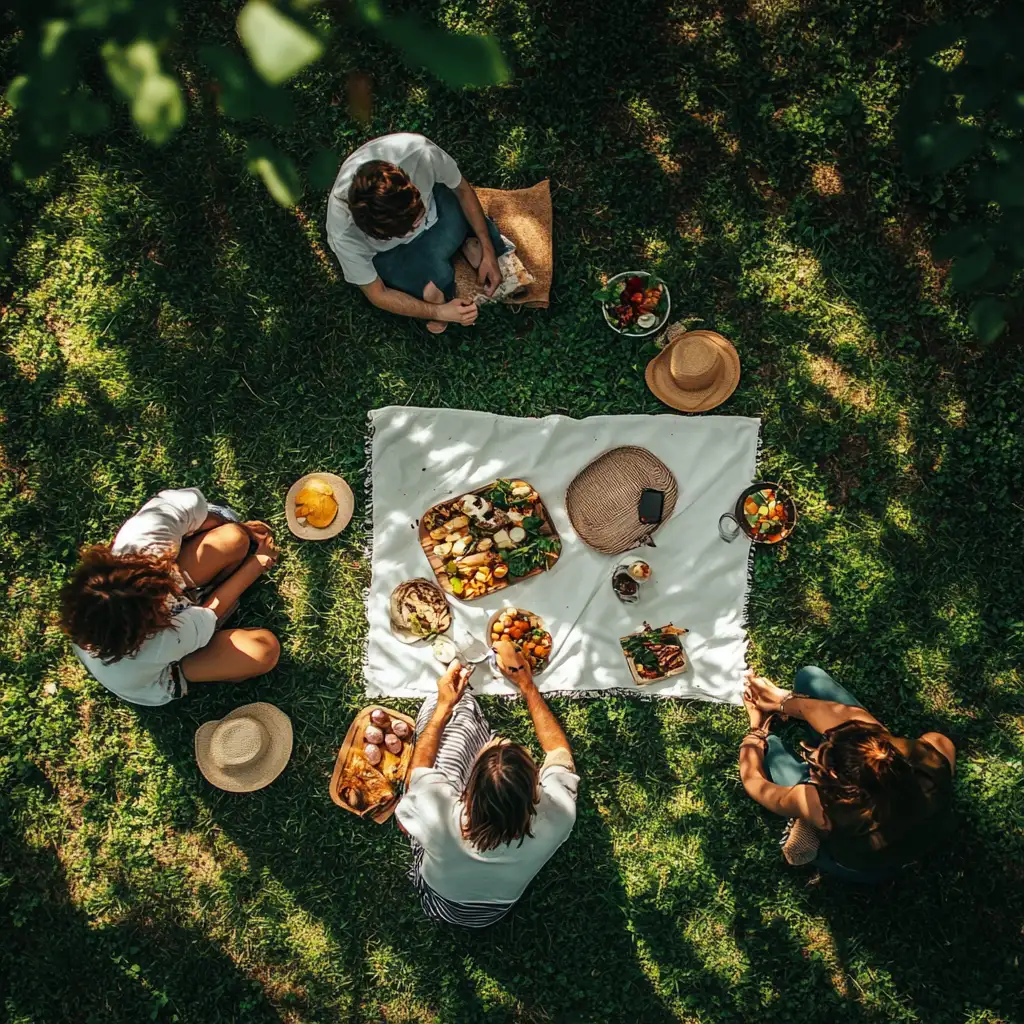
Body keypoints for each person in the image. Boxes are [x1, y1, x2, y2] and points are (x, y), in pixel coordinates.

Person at [394, 640, 579, 927]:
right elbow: (558, 752)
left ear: (468, 792)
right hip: (496, 911)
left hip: (437, 900)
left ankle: (463, 716)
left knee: (454, 719)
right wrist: (527, 686)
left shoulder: (439, 817)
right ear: (535, 790)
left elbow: (417, 771)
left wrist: (443, 707)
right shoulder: (559, 816)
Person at [60, 488, 280, 707]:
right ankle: (186, 666)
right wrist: (257, 564)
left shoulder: (142, 538)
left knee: (233, 538)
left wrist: (230, 525)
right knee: (263, 650)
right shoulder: (158, 642)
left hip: (145, 633)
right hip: (158, 669)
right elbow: (212, 612)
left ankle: (197, 597)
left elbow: (185, 505)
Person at [738, 665, 956, 882]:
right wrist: (779, 700)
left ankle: (810, 833)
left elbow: (754, 782)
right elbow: (857, 720)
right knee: (809, 677)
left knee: (773, 748)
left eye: (818, 764)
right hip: (920, 833)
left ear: (837, 780)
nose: (814, 757)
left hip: (868, 868)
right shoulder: (934, 752)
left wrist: (756, 729)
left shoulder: (817, 802)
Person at [325, 132, 509, 334]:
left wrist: (488, 248)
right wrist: (438, 312)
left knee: (479, 232)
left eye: (417, 215)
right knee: (433, 285)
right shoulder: (343, 232)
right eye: (404, 230)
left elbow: (462, 190)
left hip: (439, 213)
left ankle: (468, 245)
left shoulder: (418, 153)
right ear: (373, 230)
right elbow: (377, 293)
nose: (416, 227)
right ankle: (454, 254)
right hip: (397, 253)